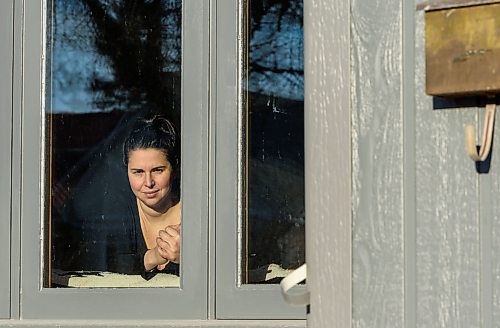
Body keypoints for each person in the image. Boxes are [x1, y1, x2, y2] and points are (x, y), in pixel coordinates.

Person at [122, 115, 181, 279]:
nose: (148, 182)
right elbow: (97, 267)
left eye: (158, 170)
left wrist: (191, 258)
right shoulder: (116, 214)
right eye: (138, 172)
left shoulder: (198, 212)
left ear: (174, 169)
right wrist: (152, 257)